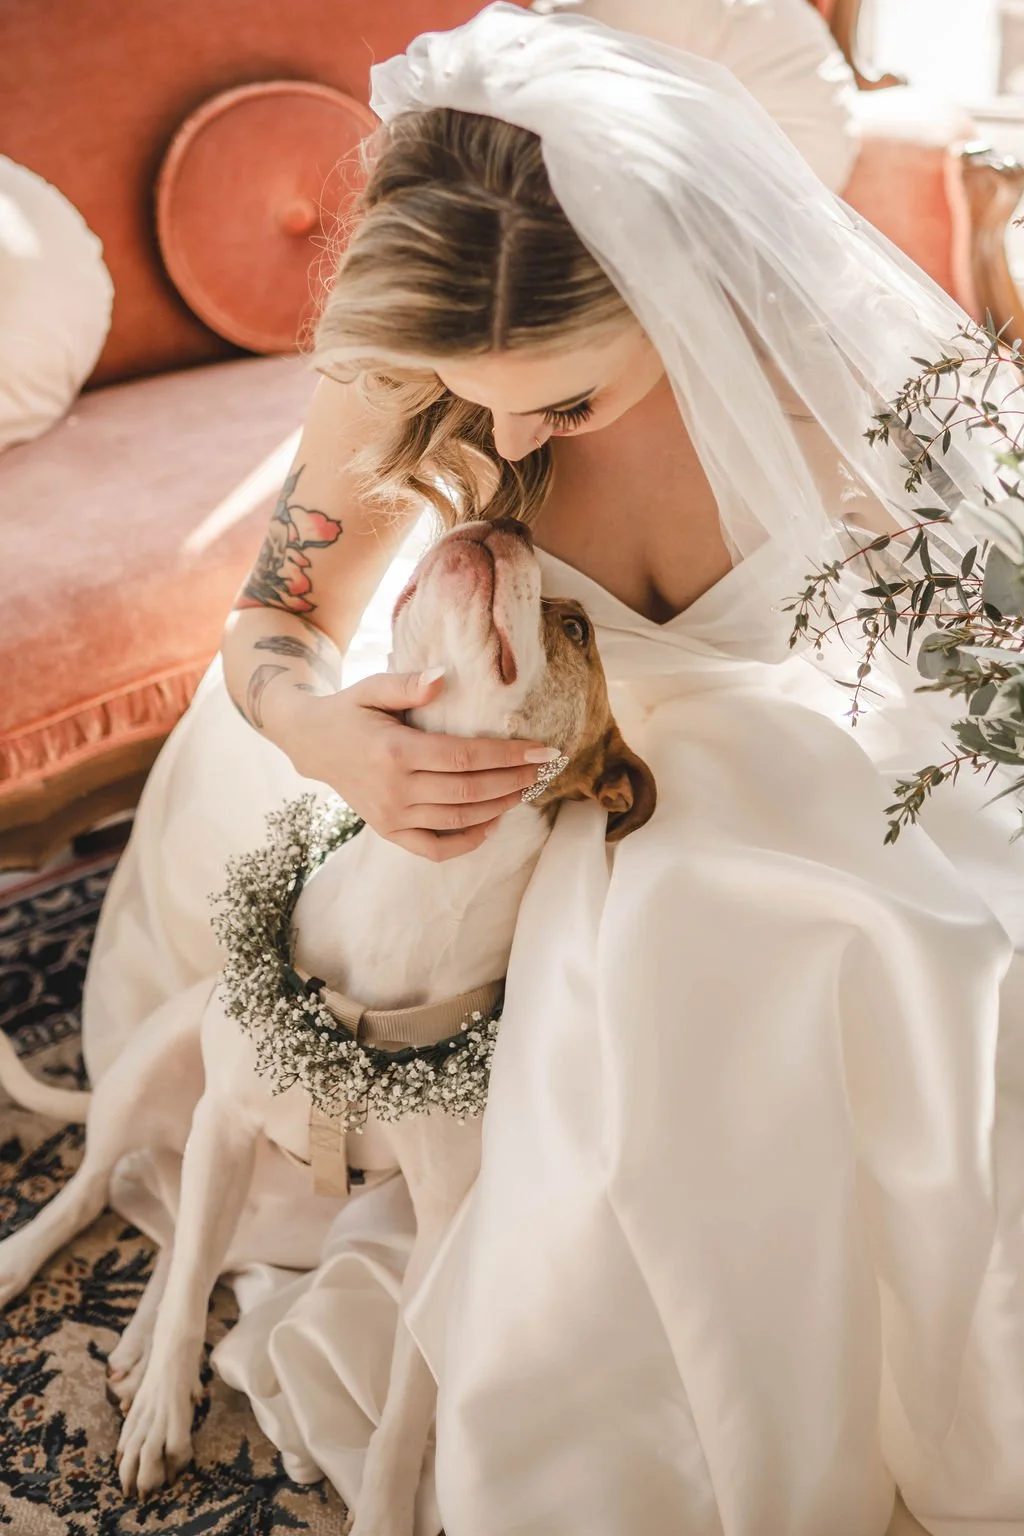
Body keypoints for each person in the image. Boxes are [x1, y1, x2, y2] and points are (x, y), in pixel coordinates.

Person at [82, 5, 1024, 1534]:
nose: (508, 432)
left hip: (819, 758)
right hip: (535, 791)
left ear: (676, 289)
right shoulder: (407, 377)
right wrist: (328, 733)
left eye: (566, 401)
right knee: (671, 955)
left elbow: (975, 595)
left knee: (945, 959)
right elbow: (275, 623)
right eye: (485, 399)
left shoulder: (804, 356)